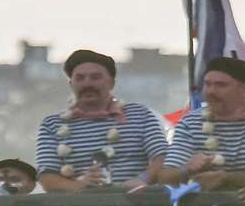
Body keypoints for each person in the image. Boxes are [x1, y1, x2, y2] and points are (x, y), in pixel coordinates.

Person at [36, 50, 169, 191]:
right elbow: (47, 178)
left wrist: (143, 180)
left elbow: (163, 157)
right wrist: (79, 186)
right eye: (80, 78)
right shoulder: (52, 124)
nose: (87, 84)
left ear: (111, 83)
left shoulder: (140, 115)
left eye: (95, 77)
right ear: (71, 84)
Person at [155, 56, 245, 188]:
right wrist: (186, 169)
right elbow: (165, 178)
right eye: (207, 84)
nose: (211, 91)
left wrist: (227, 178)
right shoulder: (191, 123)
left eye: (221, 85)